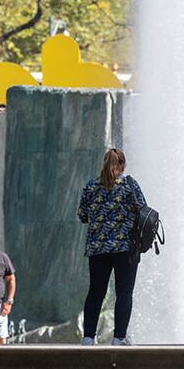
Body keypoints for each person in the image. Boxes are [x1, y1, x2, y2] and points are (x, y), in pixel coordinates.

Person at [77, 148, 147, 346]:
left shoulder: (91, 186)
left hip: (97, 249)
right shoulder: (129, 185)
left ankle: (88, 337)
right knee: (124, 292)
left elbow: (82, 215)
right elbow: (143, 211)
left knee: (96, 291)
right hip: (124, 248)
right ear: (123, 165)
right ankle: (119, 338)